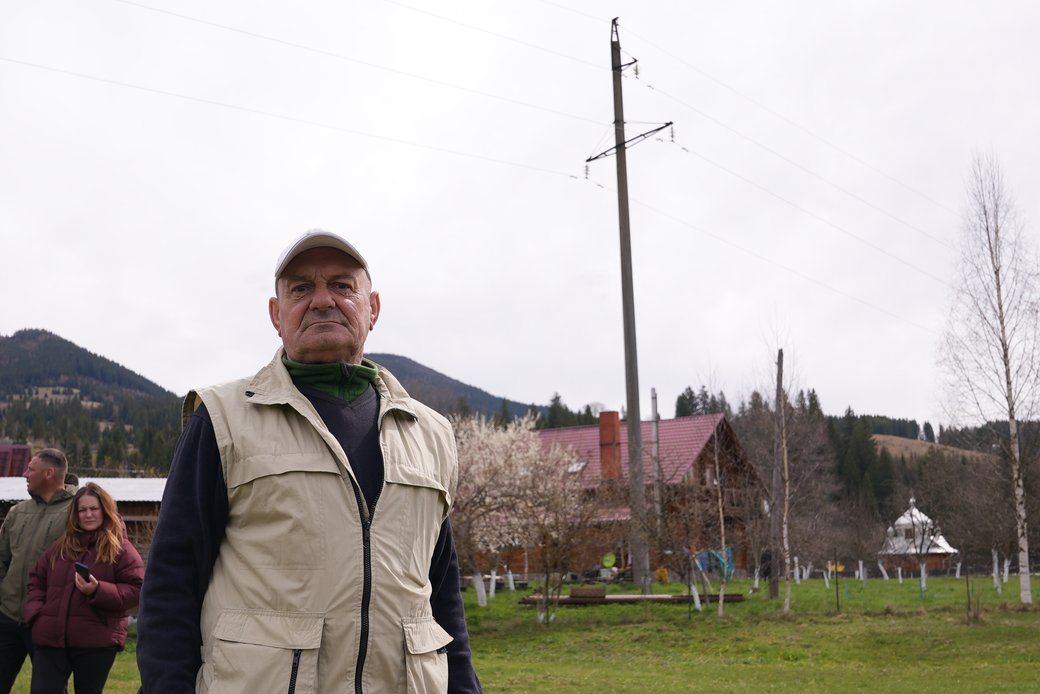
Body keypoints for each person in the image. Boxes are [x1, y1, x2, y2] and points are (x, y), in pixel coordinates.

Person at [138, 230, 481, 693]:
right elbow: (170, 586)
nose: (323, 301)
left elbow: (440, 594)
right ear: (276, 314)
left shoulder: (431, 433)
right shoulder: (222, 420)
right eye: (301, 288)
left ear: (372, 308)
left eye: (342, 286)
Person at [24, 483, 143, 694]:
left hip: (96, 642)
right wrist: (37, 614)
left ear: (105, 510)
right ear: (75, 514)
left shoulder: (121, 549)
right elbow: (36, 578)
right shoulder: (62, 545)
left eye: (94, 509)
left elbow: (136, 590)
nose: (88, 514)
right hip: (51, 639)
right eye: (82, 510)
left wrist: (97, 591)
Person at [0, 448, 76, 690]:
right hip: (8, 617)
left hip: (47, 621)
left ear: (49, 473)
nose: (25, 474)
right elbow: (1, 560)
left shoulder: (76, 513)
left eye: (31, 469)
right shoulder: (17, 512)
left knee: (48, 689)